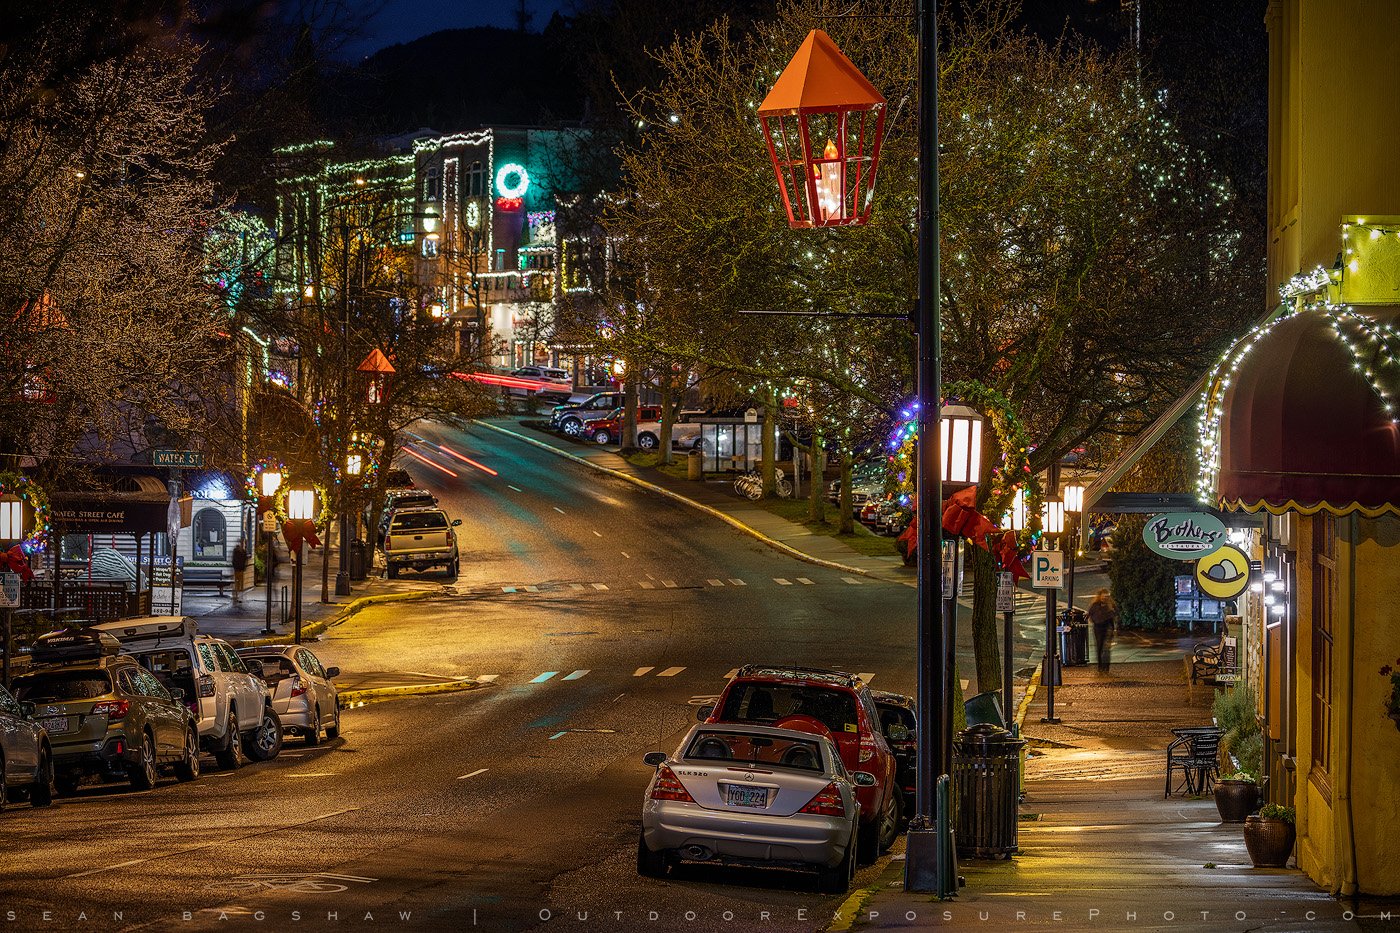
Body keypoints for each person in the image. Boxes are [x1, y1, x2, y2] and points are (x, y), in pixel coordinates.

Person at [1087, 588, 1119, 673]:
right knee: (1099, 647)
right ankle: (1100, 665)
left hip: (1107, 628)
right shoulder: (1095, 605)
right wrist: (1095, 620)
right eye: (1102, 596)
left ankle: (1106, 666)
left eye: (1105, 596)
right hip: (1098, 628)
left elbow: (1115, 615)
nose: (1104, 598)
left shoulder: (1110, 606)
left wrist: (1114, 629)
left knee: (1107, 648)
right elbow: (1090, 615)